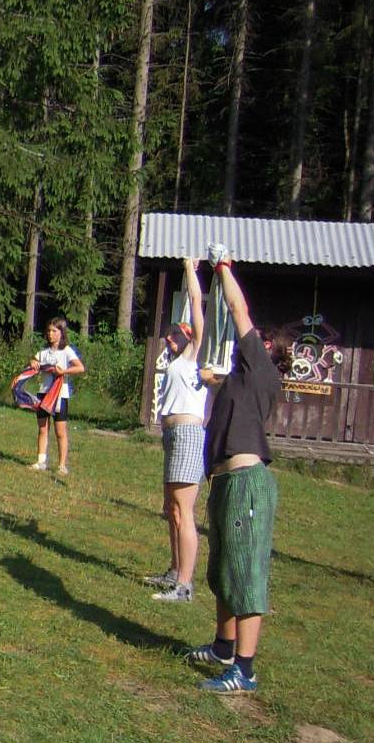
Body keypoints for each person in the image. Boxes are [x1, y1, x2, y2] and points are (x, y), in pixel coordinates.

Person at [182, 252, 288, 695]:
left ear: (268, 351)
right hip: (226, 483)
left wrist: (222, 266)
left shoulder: (260, 369)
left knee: (244, 572)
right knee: (223, 570)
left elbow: (237, 308)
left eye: (259, 338)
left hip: (247, 483)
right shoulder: (240, 380)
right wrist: (212, 380)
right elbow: (219, 386)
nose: (250, 336)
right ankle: (223, 648)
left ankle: (244, 670)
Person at [145, 258, 216, 604]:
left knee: (184, 511)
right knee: (171, 508)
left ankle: (185, 586)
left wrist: (190, 269)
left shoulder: (191, 358)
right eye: (169, 336)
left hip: (188, 435)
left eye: (175, 336)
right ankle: (174, 571)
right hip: (172, 436)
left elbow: (197, 306)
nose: (170, 340)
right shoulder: (175, 364)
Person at [29, 317, 86, 473]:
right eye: (48, 331)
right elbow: (33, 361)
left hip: (60, 395)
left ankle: (62, 465)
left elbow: (80, 367)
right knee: (42, 429)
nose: (50, 334)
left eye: (54, 331)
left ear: (61, 332)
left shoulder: (66, 351)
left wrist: (64, 371)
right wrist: (32, 362)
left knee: (60, 431)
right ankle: (41, 462)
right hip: (43, 393)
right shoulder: (43, 352)